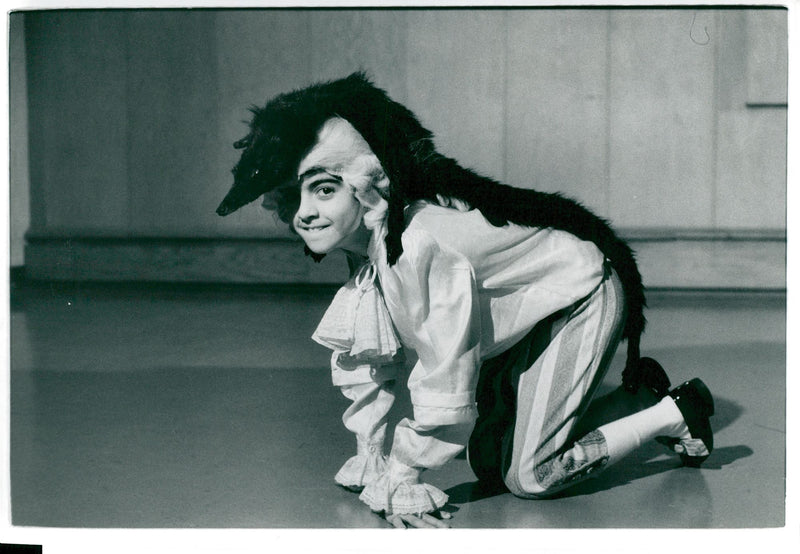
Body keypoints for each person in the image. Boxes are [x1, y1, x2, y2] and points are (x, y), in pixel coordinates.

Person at [216, 75, 715, 529]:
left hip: (581, 294)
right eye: (294, 196)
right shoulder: (370, 248)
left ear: (367, 187)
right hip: (530, 310)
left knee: (532, 476)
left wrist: (405, 475)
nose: (305, 214)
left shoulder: (414, 246)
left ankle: (676, 411)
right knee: (488, 461)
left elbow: (445, 365)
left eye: (323, 190)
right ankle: (637, 396)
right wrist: (373, 453)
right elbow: (371, 360)